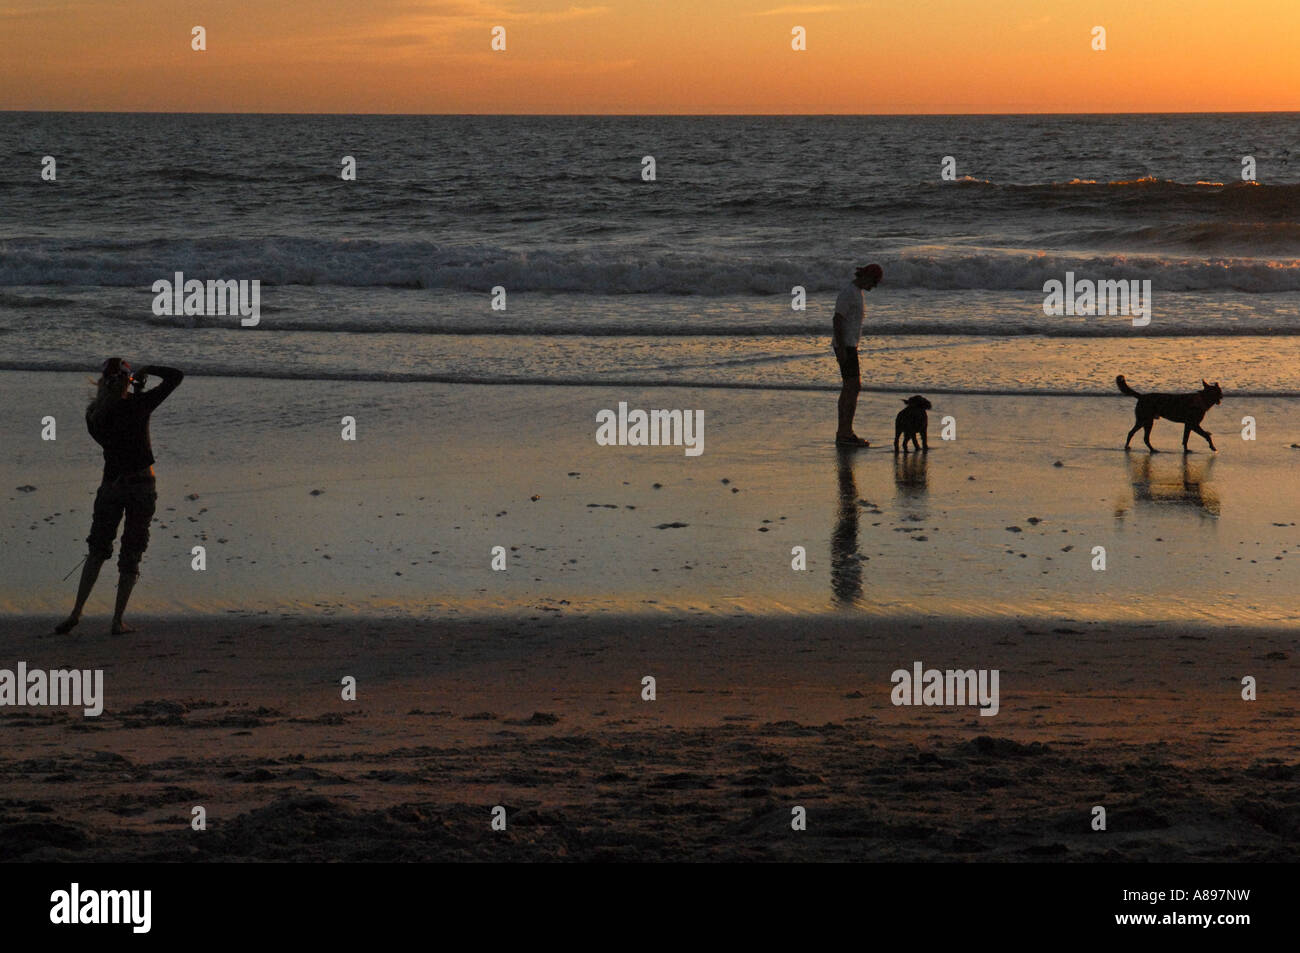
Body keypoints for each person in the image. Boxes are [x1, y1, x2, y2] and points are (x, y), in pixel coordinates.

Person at [55, 359, 184, 635]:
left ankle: (77, 611)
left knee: (97, 550)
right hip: (140, 485)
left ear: (102, 381)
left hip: (111, 485)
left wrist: (132, 392)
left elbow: (120, 435)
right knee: (132, 552)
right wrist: (148, 370)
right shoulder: (139, 406)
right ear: (128, 380)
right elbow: (175, 377)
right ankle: (117, 620)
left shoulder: (94, 416)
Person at [832, 263, 883, 447]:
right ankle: (845, 432)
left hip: (849, 344)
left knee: (850, 387)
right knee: (852, 387)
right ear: (866, 276)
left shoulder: (856, 293)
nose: (874, 286)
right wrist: (842, 348)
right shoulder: (849, 293)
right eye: (874, 282)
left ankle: (844, 432)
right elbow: (837, 319)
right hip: (845, 345)